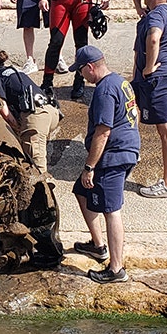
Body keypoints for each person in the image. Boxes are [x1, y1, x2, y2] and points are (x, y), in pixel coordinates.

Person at [68, 45, 139, 284]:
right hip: (125, 150)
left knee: (111, 210)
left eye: (80, 71)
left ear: (90, 67)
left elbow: (103, 131)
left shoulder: (104, 91)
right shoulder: (121, 82)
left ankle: (116, 269)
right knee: (81, 191)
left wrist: (89, 167)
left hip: (114, 156)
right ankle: (98, 246)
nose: (81, 76)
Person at [133, 0, 167, 199]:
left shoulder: (159, 14)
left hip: (158, 76)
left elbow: (154, 39)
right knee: (132, 110)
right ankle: (130, 152)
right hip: (153, 77)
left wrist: (149, 68)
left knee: (165, 129)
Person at [0, 49, 61, 171]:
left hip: (36, 117)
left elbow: (4, 111)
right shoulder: (14, 71)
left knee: (36, 164)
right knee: (36, 147)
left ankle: (44, 187)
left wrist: (18, 128)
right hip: (52, 112)